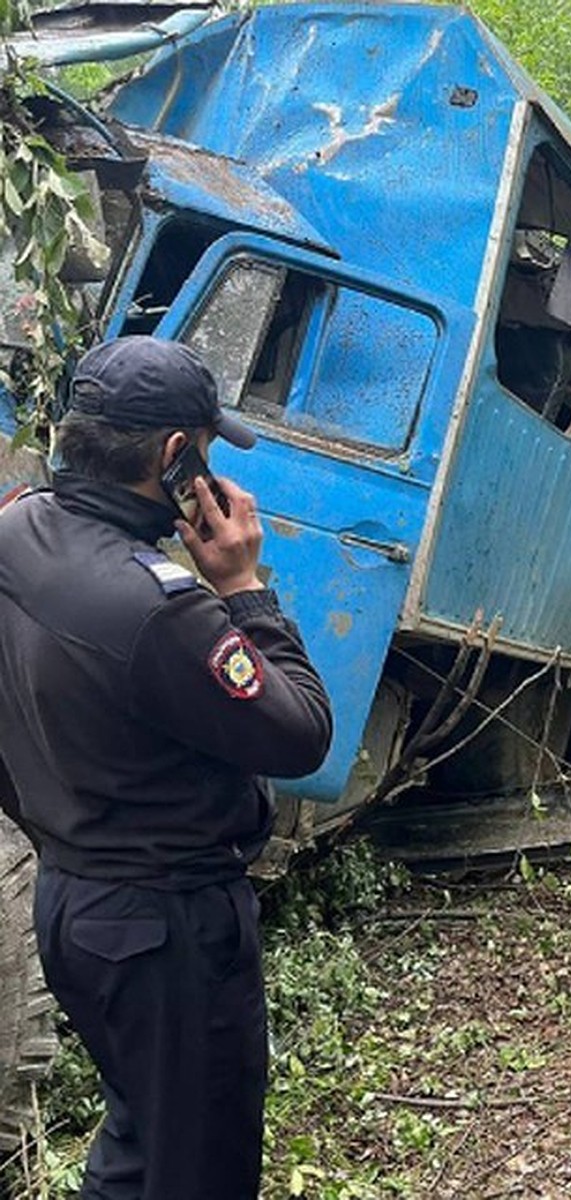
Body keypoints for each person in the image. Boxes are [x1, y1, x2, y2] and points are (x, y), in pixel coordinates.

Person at [0, 336, 333, 1200]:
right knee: (201, 1170)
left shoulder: (16, 529)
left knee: (142, 1141)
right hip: (169, 928)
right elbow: (300, 735)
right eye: (206, 446)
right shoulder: (163, 607)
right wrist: (243, 586)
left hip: (72, 901)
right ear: (175, 455)